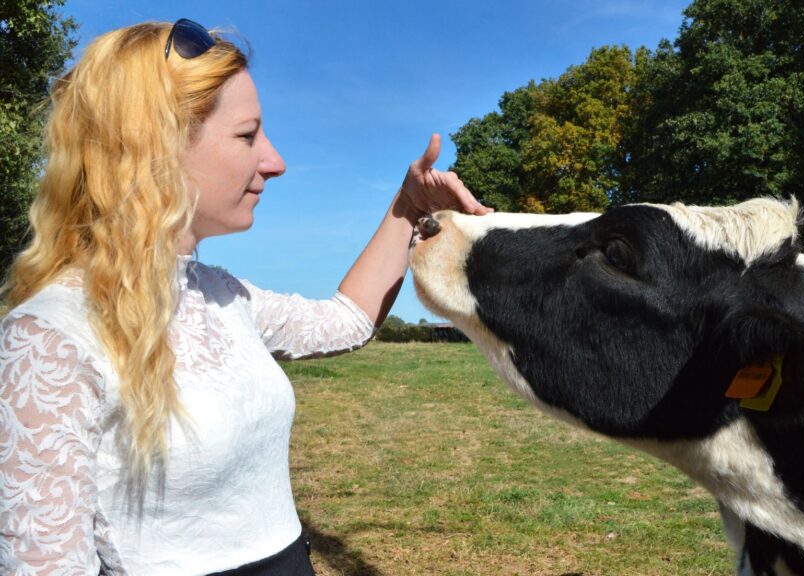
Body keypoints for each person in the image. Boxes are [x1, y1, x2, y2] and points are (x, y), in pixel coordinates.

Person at [0, 18, 489, 575]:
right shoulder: (49, 337)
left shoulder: (223, 295)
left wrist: (407, 206)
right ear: (153, 147)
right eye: (247, 134)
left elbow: (346, 321)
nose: (275, 162)